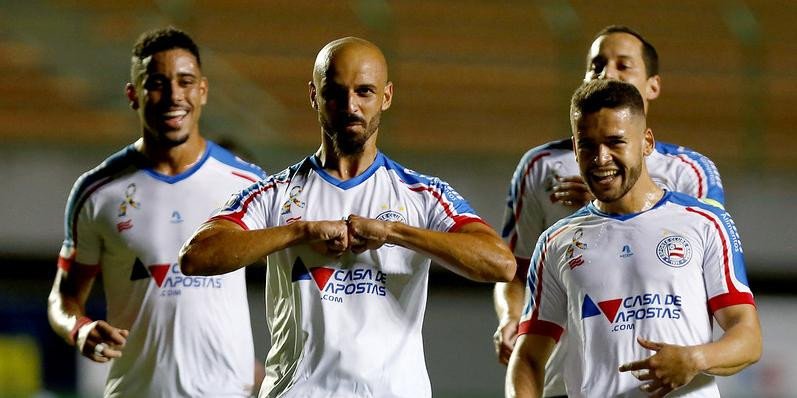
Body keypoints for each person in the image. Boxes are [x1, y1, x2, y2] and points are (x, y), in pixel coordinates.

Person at [179, 36, 516, 398]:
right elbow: (196, 256)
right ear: (314, 96)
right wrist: (299, 232)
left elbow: (500, 264)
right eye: (335, 93)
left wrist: (394, 232)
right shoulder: (275, 192)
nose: (350, 106)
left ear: (386, 96)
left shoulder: (423, 194)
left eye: (364, 92)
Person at [494, 25, 725, 397]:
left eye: (623, 64)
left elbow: (711, 271)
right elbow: (513, 266)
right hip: (570, 374)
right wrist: (511, 319)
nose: (608, 72)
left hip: (666, 378)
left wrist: (610, 198)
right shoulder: (540, 166)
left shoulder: (689, 172)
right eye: (597, 64)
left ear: (653, 85)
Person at [47, 27, 267, 397]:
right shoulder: (97, 191)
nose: (173, 96)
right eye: (158, 83)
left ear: (203, 91)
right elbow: (63, 298)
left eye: (185, 82)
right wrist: (79, 328)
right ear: (133, 94)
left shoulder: (250, 183)